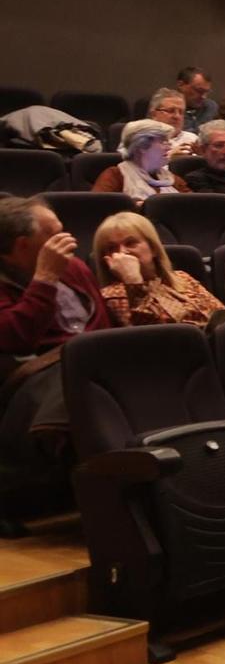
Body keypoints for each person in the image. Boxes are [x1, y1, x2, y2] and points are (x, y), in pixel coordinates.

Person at [0, 199, 109, 465]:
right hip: (37, 374)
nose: (68, 240)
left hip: (96, 359)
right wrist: (45, 278)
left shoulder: (74, 267)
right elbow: (16, 338)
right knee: (79, 371)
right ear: (22, 246)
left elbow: (102, 321)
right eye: (54, 235)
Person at [91, 212, 224, 327]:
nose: (123, 252)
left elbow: (222, 315)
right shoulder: (112, 296)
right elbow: (155, 334)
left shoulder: (182, 278)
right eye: (111, 248)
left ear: (153, 248)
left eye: (130, 243)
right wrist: (133, 281)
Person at [91, 120, 180, 201]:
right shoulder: (115, 176)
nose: (169, 147)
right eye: (162, 142)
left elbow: (191, 207)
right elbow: (99, 209)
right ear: (142, 145)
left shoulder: (173, 179)